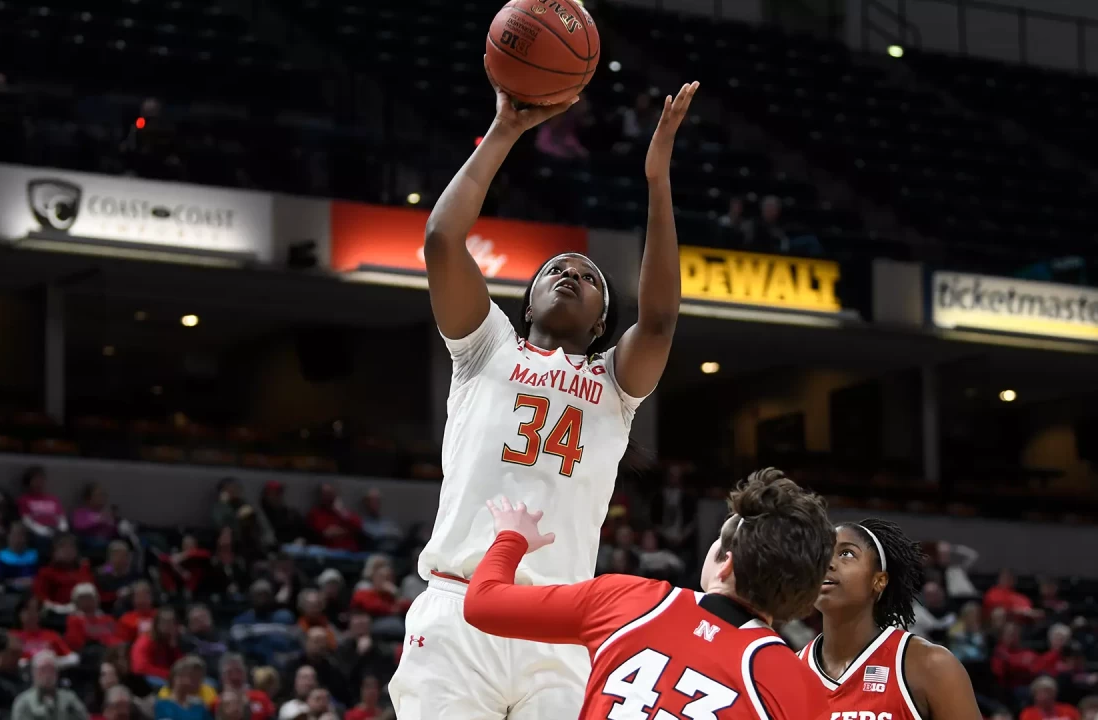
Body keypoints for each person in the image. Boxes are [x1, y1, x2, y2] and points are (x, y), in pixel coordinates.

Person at [388, 67, 698, 720]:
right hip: (460, 605)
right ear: (526, 301)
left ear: (601, 323)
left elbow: (661, 319)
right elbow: (442, 239)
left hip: (558, 622)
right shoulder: (485, 347)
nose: (569, 274)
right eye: (556, 268)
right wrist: (504, 129)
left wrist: (658, 181)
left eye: (588, 277)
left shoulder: (614, 385)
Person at [464, 469, 834, 720]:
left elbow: (482, 603)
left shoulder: (629, 600)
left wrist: (511, 537)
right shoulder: (802, 691)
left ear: (726, 565)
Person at [800, 519, 982, 719]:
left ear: (879, 581)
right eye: (823, 554)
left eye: (847, 553)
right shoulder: (789, 669)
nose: (828, 563)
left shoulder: (932, 665)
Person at [10, 650, 89, 720]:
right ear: (34, 673)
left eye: (51, 670)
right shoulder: (23, 702)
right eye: (43, 670)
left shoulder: (70, 700)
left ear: (57, 673)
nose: (47, 675)